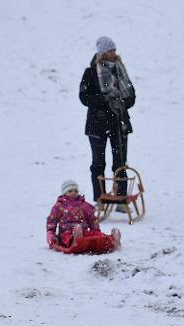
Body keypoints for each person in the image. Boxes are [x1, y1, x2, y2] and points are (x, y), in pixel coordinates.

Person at [79, 36, 136, 206]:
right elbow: (84, 97)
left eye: (114, 50)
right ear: (102, 52)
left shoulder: (121, 70)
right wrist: (105, 100)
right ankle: (100, 198)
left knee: (120, 162)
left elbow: (132, 95)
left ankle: (121, 198)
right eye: (110, 50)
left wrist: (123, 102)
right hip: (97, 124)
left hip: (119, 123)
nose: (113, 53)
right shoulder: (90, 72)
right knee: (98, 162)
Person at [46, 179, 121, 252]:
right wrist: (51, 235)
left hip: (83, 231)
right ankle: (76, 239)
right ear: (64, 193)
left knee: (94, 235)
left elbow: (91, 219)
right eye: (70, 191)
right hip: (66, 232)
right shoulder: (59, 206)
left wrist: (95, 230)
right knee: (68, 236)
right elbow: (52, 221)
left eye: (76, 191)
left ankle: (111, 240)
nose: (73, 193)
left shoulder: (83, 204)